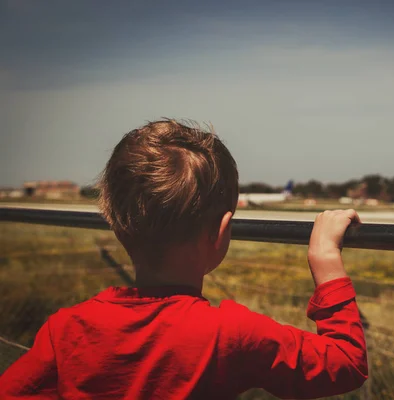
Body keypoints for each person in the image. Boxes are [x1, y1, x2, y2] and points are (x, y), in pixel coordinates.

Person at [0, 119, 368, 399]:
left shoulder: (66, 329)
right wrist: (325, 259)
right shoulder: (231, 334)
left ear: (117, 227)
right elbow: (347, 362)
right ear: (222, 232)